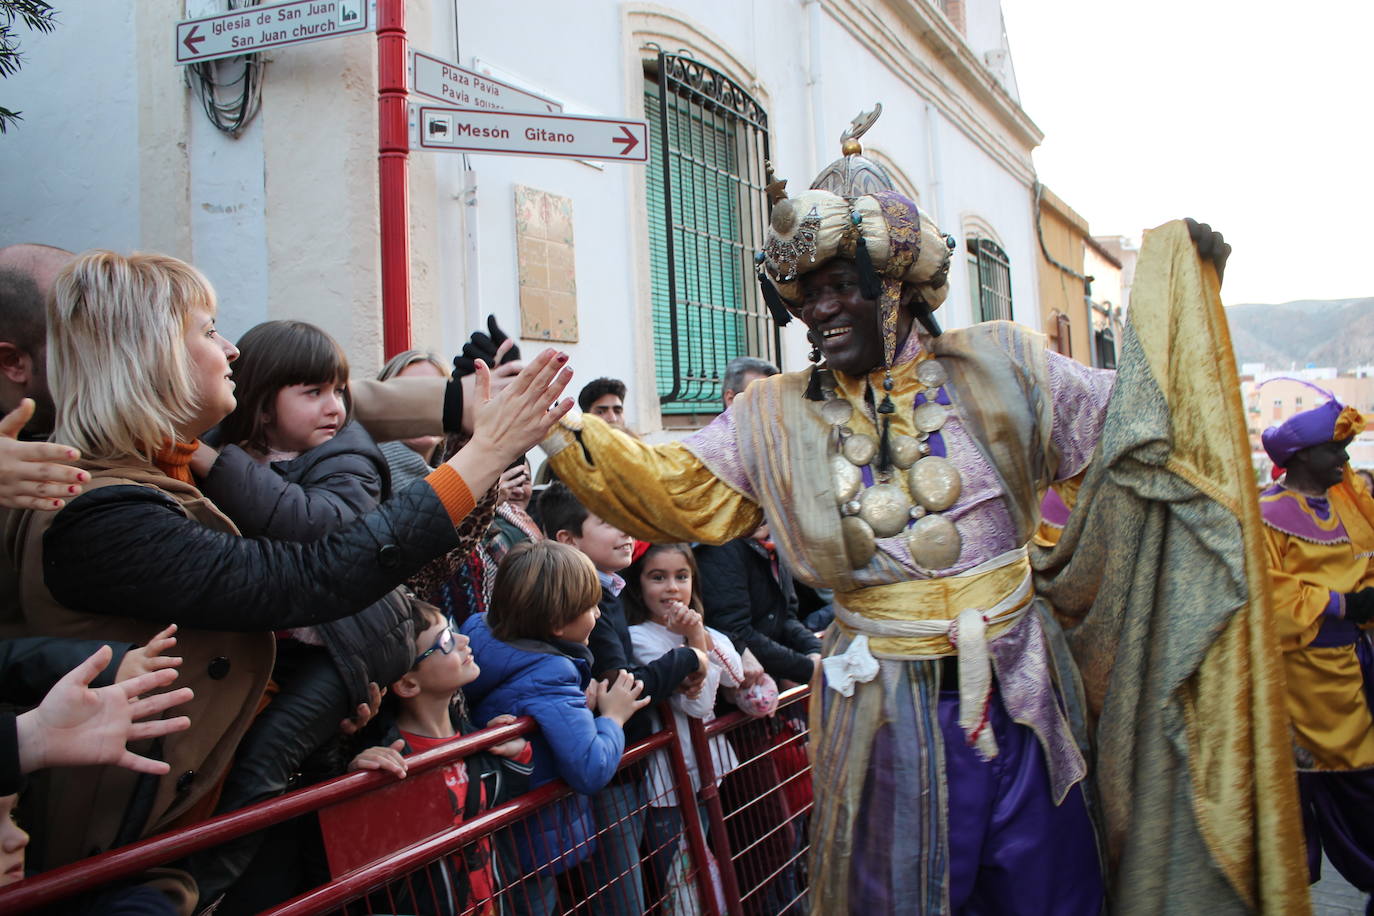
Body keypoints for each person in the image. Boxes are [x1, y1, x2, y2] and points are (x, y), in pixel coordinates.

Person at [539, 116, 1306, 912]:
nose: (819, 312)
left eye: (840, 286)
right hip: (881, 722)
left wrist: (1183, 297)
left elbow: (1141, 435)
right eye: (806, 295)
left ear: (896, 286)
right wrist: (551, 424)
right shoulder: (773, 417)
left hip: (1025, 702)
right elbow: (669, 483)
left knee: (1053, 898)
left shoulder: (1004, 367)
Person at [8, 250, 572, 880]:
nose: (232, 350)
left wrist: (451, 402)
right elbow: (314, 576)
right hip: (144, 861)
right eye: (208, 329)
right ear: (151, 356)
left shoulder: (163, 461)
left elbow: (328, 395)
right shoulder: (103, 514)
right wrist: (484, 452)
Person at [183, 319, 428, 905]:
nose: (334, 407)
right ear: (262, 402)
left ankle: (200, 892)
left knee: (267, 755)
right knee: (291, 762)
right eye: (313, 392)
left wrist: (207, 461)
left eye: (338, 390)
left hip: (356, 639)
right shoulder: (233, 447)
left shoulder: (350, 455)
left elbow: (317, 523)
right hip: (291, 644)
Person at [537, 482, 705, 916]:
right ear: (567, 540)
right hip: (610, 771)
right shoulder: (586, 597)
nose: (625, 530)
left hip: (624, 766)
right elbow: (622, 684)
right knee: (622, 896)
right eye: (608, 520)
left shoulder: (607, 589)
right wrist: (689, 656)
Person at [460, 540, 649, 916]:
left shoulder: (480, 631)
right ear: (557, 624)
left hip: (500, 834)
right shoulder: (551, 674)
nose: (597, 614)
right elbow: (591, 767)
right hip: (534, 840)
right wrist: (612, 717)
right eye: (590, 607)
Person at [1258, 390, 1374, 901]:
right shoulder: (1266, 513)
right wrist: (1343, 605)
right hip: (1298, 685)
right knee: (1293, 802)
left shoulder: (1351, 510)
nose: (1346, 461)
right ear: (1303, 457)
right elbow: (1264, 590)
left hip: (1355, 672)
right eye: (1337, 450)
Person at [348, 599, 533, 916]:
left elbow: (506, 802)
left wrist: (517, 754)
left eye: (454, 629)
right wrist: (355, 787)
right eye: (446, 641)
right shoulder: (389, 759)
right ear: (407, 683)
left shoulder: (475, 740)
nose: (463, 640)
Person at [622, 542, 741, 912]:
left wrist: (698, 634)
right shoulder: (639, 637)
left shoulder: (702, 629)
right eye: (658, 578)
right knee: (678, 882)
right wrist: (693, 641)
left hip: (707, 773)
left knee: (702, 867)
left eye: (681, 577)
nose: (672, 588)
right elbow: (699, 704)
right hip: (667, 784)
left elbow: (735, 676)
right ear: (639, 585)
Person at [695, 525, 822, 688]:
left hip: (768, 678)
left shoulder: (774, 544)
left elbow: (785, 617)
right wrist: (807, 669)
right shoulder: (720, 547)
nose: (759, 512)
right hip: (735, 688)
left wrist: (815, 650)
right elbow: (734, 631)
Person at [375, 348, 450, 486]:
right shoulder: (360, 476)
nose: (423, 405)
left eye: (437, 394)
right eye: (407, 394)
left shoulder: (465, 469)